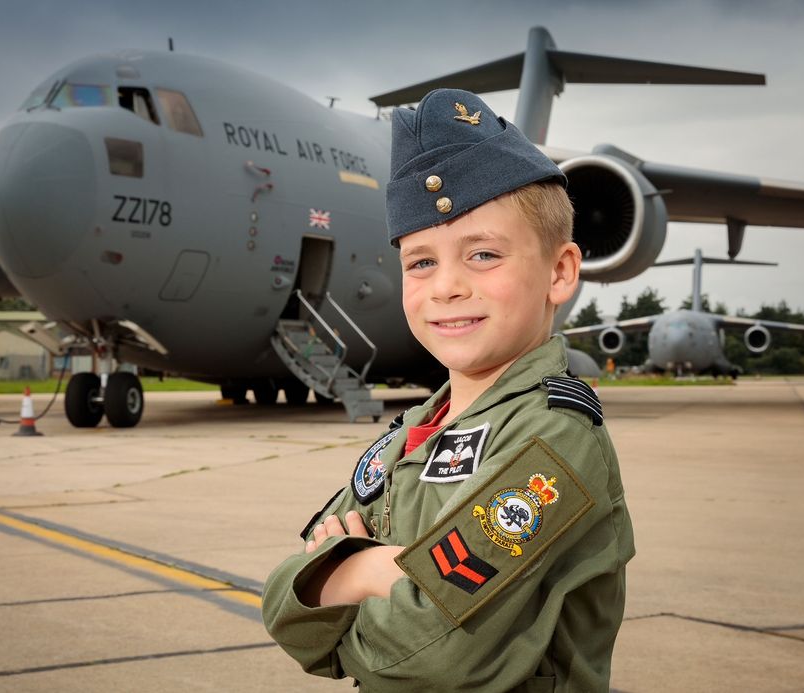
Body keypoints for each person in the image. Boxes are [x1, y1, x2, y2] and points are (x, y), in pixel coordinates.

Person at [262, 88, 635, 692]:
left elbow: (429, 656)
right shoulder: (412, 433)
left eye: (483, 254)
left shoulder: (553, 438)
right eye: (421, 262)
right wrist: (376, 575)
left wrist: (349, 574)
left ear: (561, 271)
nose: (446, 288)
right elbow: (284, 605)